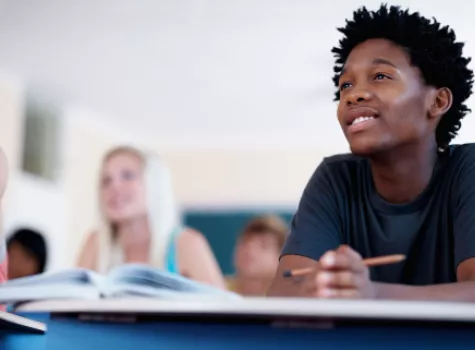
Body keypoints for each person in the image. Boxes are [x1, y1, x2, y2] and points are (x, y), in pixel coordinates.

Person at [269, 4, 475, 301]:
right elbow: (283, 291)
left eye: (380, 76)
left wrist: (372, 294)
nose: (354, 94)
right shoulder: (335, 179)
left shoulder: (467, 171)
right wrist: (314, 288)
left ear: (438, 101)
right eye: (346, 85)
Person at [77, 146, 225, 288]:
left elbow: (223, 310)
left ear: (155, 184)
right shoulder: (95, 243)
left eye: (128, 176)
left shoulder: (186, 243)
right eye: (106, 180)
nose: (114, 187)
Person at [228, 215, 288, 295]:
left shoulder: (292, 298)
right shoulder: (215, 288)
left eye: (263, 245)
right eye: (245, 242)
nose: (250, 250)